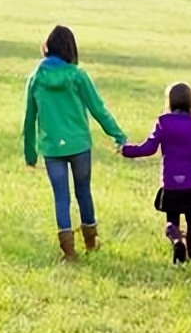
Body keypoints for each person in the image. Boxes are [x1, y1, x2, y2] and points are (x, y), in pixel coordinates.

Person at [23, 25, 127, 261]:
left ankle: (69, 252)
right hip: (79, 145)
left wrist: (30, 154)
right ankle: (91, 243)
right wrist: (118, 135)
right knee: (83, 192)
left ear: (47, 48)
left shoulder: (35, 79)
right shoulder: (78, 76)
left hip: (51, 148)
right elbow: (98, 109)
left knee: (61, 197)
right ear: (70, 49)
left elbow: (28, 120)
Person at [121, 83, 191, 263]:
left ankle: (176, 240)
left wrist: (127, 150)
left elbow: (148, 148)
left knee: (172, 220)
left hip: (171, 184)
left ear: (170, 102)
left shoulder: (163, 122)